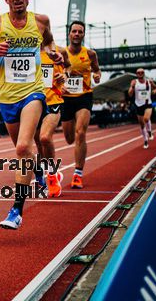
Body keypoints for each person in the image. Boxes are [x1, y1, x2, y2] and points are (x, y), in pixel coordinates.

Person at [0, 0, 62, 230]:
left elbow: (48, 42)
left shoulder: (41, 21)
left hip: (33, 92)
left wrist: (52, 52)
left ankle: (16, 210)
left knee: (24, 146)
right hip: (7, 98)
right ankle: (38, 173)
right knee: (25, 151)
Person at [61, 21, 101, 189]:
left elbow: (97, 70)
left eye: (80, 32)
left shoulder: (90, 54)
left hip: (84, 97)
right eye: (74, 31)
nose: (77, 34)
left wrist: (97, 76)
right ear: (69, 34)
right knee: (69, 138)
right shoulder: (61, 53)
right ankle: (77, 170)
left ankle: (78, 174)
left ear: (83, 34)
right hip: (66, 98)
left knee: (80, 133)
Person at [34, 44, 70, 197]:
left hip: (53, 100)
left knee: (45, 137)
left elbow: (68, 66)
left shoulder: (59, 50)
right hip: (33, 103)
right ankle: (41, 173)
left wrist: (66, 76)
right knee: (38, 145)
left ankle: (52, 176)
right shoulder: (28, 50)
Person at [128, 68, 156, 149]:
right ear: (136, 74)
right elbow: (130, 94)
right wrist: (132, 87)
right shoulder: (134, 82)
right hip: (138, 105)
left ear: (144, 73)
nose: (140, 74)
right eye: (138, 72)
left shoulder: (149, 81)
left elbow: (155, 87)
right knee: (142, 125)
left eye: (142, 72)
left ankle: (150, 132)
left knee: (146, 119)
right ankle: (145, 141)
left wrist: (154, 91)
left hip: (148, 104)